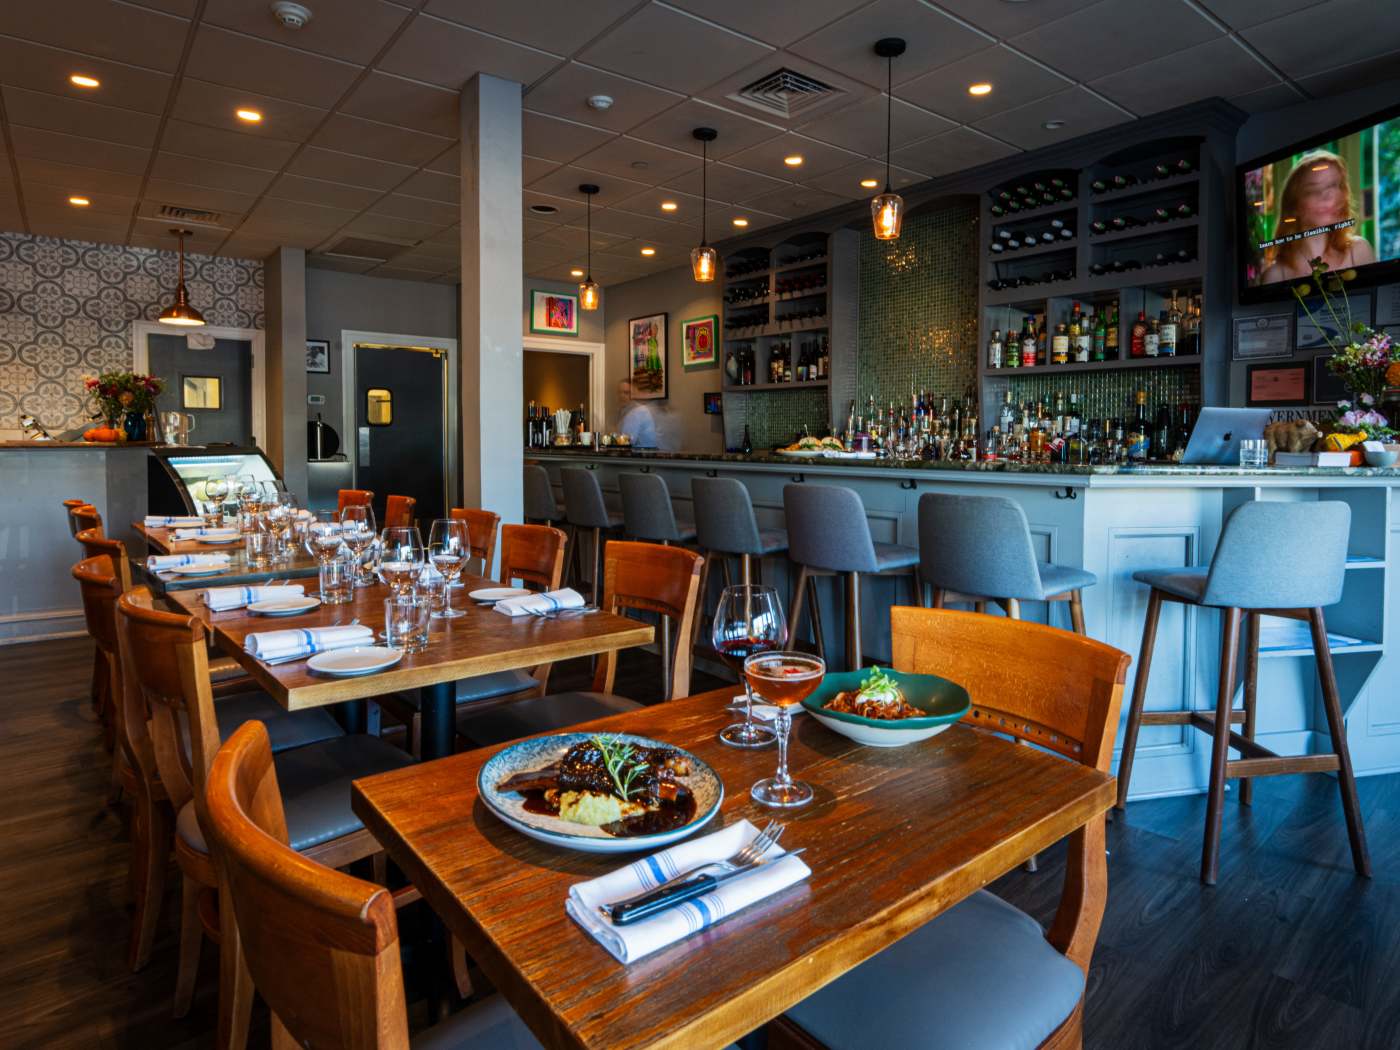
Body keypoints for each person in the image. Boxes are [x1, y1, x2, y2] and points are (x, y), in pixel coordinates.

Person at [1259, 149, 1374, 284]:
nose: (1328, 196)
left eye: (1334, 185)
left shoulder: (1359, 251)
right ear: (1294, 205)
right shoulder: (1275, 276)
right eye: (1313, 190)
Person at [615, 379, 679, 450]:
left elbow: (624, 444)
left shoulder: (637, 413)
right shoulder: (623, 411)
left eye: (626, 393)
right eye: (619, 392)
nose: (622, 396)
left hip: (643, 455)